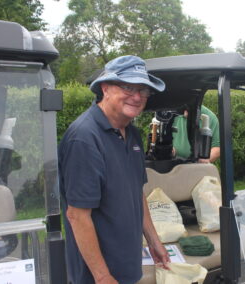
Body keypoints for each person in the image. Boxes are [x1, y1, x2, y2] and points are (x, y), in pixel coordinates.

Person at [59, 55, 170, 284]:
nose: (137, 96)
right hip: (97, 274)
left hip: (127, 264)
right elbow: (77, 215)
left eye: (144, 90)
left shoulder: (132, 133)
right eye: (128, 87)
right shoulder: (84, 138)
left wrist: (154, 241)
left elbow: (135, 193)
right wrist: (103, 277)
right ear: (105, 88)